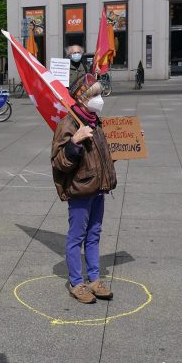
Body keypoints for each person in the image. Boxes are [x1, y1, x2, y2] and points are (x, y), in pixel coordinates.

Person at [51, 73, 117, 305]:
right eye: (94, 94)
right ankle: (76, 282)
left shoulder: (94, 120)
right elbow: (59, 162)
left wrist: (130, 146)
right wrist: (74, 142)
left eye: (99, 93)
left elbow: (101, 156)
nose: (99, 98)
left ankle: (94, 279)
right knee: (76, 237)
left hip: (98, 188)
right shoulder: (68, 124)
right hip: (80, 190)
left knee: (94, 235)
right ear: (81, 98)